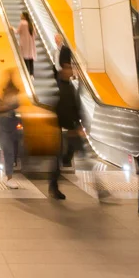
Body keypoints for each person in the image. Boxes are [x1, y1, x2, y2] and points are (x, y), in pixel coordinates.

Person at [49, 62, 81, 200]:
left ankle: (53, 184)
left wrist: (78, 124)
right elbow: (61, 109)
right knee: (59, 158)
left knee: (66, 156)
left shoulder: (69, 87)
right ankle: (53, 185)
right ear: (62, 72)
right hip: (61, 128)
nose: (71, 72)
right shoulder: (59, 88)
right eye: (68, 69)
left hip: (70, 127)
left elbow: (74, 106)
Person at [0, 73, 22, 189]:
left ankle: (10, 175)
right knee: (9, 152)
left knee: (13, 151)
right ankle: (9, 178)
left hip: (12, 128)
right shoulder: (1, 101)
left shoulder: (13, 102)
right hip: (4, 129)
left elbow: (15, 104)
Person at [17, 11, 36, 77]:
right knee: (30, 59)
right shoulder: (31, 24)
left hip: (24, 43)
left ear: (24, 16)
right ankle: (31, 74)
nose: (20, 16)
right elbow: (35, 34)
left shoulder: (22, 23)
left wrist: (12, 28)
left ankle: (27, 73)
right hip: (31, 44)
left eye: (21, 15)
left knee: (25, 58)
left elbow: (17, 31)